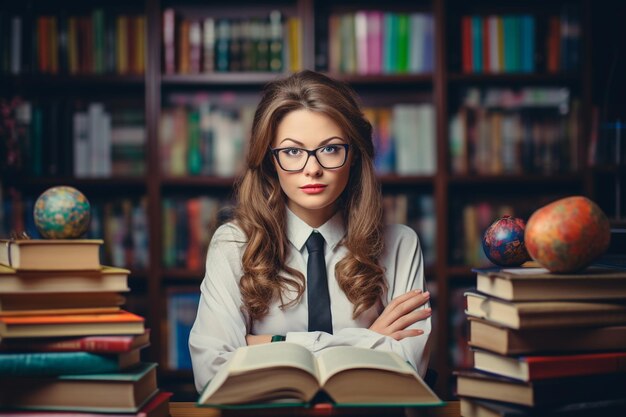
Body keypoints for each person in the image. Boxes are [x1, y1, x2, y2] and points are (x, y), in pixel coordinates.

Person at [189, 70, 432, 393]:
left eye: (330, 149)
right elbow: (210, 372)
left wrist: (262, 344)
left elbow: (408, 369)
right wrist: (370, 340)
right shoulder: (233, 244)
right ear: (269, 161)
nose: (312, 168)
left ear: (354, 157)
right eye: (292, 152)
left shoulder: (400, 244)